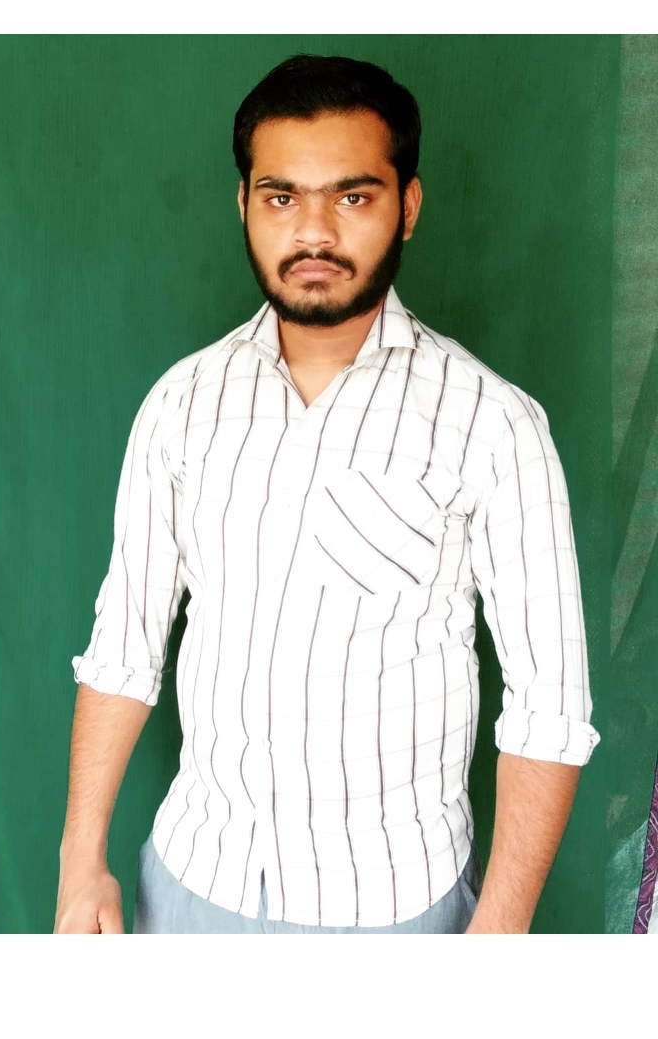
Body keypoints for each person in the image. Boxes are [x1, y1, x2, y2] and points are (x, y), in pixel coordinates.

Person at [55, 53, 599, 935]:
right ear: (243, 204)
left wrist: (497, 939)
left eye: (352, 196)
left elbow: (551, 708)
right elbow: (125, 646)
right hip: (190, 884)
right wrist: (81, 862)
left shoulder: (492, 424)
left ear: (407, 206)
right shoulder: (182, 404)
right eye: (281, 197)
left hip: (394, 909)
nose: (314, 232)